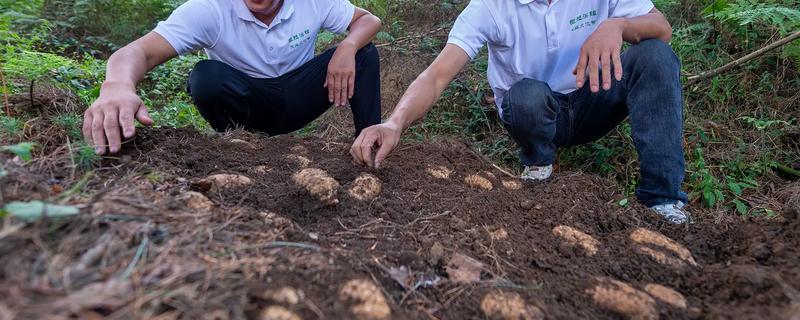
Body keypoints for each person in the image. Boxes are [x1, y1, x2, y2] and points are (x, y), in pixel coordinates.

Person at [351, 0, 691, 224]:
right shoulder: (491, 8)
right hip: (534, 112)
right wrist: (394, 123)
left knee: (656, 55)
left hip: (595, 97)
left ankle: (662, 199)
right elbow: (437, 76)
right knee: (526, 94)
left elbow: (661, 27)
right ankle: (538, 162)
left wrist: (618, 26)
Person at [83, 0, 382, 155]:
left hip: (299, 95)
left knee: (364, 54)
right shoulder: (210, 9)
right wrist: (117, 85)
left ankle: (368, 144)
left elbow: (369, 20)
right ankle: (238, 147)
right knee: (206, 76)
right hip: (247, 103)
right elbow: (140, 52)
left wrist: (347, 46)